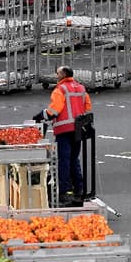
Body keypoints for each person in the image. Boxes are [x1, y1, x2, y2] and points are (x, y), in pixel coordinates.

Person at [33, 66, 92, 207]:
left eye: (58, 73)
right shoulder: (81, 88)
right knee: (74, 160)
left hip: (64, 130)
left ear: (64, 74)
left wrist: (41, 115)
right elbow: (88, 108)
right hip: (78, 129)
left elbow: (54, 110)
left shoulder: (60, 90)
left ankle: (64, 192)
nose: (56, 75)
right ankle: (79, 190)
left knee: (63, 161)